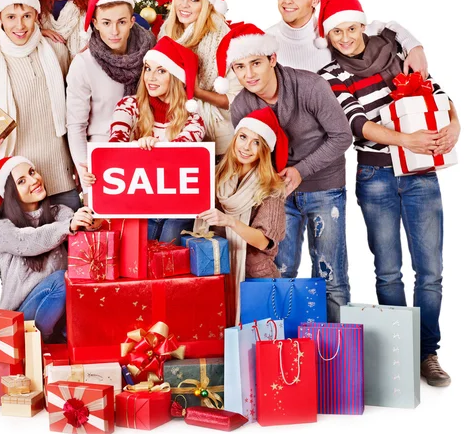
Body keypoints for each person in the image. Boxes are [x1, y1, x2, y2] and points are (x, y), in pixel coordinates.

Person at [317, 0, 460, 387]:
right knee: (389, 270)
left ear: (363, 25)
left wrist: (454, 126)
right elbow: (357, 124)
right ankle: (401, 348)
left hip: (420, 175)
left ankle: (427, 353)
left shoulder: (397, 56)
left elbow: (438, 95)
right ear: (327, 36)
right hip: (375, 176)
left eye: (350, 28)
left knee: (430, 270)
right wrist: (405, 140)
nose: (344, 38)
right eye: (336, 32)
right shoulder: (332, 74)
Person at [227, 22, 353, 323]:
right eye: (240, 67)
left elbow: (342, 136)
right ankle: (289, 354)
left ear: (272, 58)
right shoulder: (241, 104)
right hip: (277, 195)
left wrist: (301, 170)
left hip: (324, 186)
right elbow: (250, 155)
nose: (249, 74)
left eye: (256, 63)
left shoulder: (310, 86)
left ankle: (335, 353)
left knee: (330, 273)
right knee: (281, 272)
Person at [0, 0, 80, 212]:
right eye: (11, 17)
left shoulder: (56, 51)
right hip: (17, 189)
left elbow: (74, 109)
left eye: (26, 15)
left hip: (62, 179)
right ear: (0, 18)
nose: (20, 25)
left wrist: (79, 161)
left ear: (36, 15)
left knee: (75, 248)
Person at [82, 36, 205, 243]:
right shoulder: (129, 105)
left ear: (175, 76)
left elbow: (182, 153)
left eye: (161, 71)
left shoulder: (193, 118)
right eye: (148, 68)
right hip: (140, 205)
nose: (151, 77)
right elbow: (116, 144)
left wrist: (152, 151)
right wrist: (98, 171)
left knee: (168, 256)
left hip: (176, 209)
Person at [0, 156, 93, 342]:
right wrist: (68, 226)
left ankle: (65, 344)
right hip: (19, 318)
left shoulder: (60, 213)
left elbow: (85, 232)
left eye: (32, 172)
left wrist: (89, 219)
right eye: (22, 181)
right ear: (10, 192)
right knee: (61, 280)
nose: (34, 180)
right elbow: (28, 242)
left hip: (58, 313)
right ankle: (38, 345)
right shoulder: (0, 227)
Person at [197, 106, 288, 326]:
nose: (246, 147)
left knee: (253, 347)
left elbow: (264, 241)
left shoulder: (271, 187)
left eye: (256, 142)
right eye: (243, 137)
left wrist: (229, 221)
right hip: (218, 273)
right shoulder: (216, 176)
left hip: (255, 279)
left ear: (264, 150)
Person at [66, 0, 155, 203]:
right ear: (95, 24)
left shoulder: (152, 54)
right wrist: (87, 185)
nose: (114, 31)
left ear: (132, 21)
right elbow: (76, 126)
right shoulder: (83, 64)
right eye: (106, 23)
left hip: (149, 152)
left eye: (121, 22)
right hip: (105, 160)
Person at [264, 0, 429, 76]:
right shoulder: (266, 40)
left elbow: (385, 28)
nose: (287, 1)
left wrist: (415, 48)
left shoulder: (332, 31)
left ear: (314, 1)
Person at [161, 0, 241, 156]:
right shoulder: (167, 33)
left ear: (206, 4)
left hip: (219, 141)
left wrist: (197, 91)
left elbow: (236, 100)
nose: (184, 5)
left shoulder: (224, 39)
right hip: (177, 134)